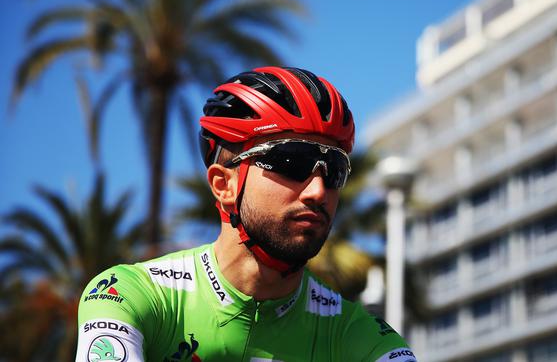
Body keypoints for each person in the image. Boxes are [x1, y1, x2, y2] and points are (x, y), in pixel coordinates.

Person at [75, 66, 417, 361]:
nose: (317, 191)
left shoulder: (361, 338)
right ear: (224, 185)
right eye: (291, 161)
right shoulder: (130, 295)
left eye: (334, 170)